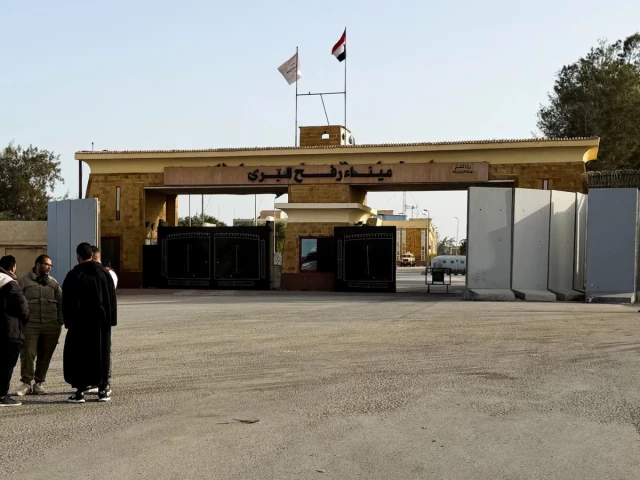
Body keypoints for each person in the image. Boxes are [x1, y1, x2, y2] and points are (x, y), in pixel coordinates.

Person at [62, 243, 117, 403]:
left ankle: (80, 391)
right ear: (92, 256)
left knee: (79, 356)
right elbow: (111, 299)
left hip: (80, 324)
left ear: (78, 256)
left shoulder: (74, 275)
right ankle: (103, 390)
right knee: (101, 354)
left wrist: (68, 322)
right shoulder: (104, 274)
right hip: (101, 324)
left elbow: (67, 301)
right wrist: (111, 320)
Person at [15, 255, 63, 396]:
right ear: (37, 264)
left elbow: (61, 303)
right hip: (31, 325)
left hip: (51, 325)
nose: (49, 268)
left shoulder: (53, 283)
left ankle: (39, 383)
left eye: (50, 265)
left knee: (46, 354)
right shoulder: (24, 281)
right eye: (46, 264)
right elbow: (17, 301)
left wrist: (59, 321)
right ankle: (26, 383)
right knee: (28, 353)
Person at [0, 255, 30, 407]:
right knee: (6, 364)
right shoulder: (10, 284)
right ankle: (2, 395)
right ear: (12, 268)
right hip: (9, 330)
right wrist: (24, 322)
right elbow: (23, 307)